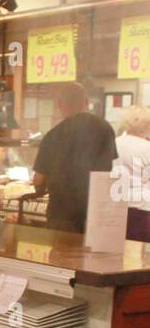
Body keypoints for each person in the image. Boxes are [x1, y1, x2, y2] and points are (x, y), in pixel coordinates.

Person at [33, 82, 116, 233]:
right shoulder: (105, 128)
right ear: (86, 102)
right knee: (91, 249)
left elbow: (38, 179)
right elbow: (108, 171)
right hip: (94, 212)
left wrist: (40, 188)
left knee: (60, 248)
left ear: (59, 104)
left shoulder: (52, 136)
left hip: (60, 215)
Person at [113, 105, 150, 242]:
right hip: (142, 212)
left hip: (113, 208)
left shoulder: (113, 143)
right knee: (137, 251)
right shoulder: (147, 148)